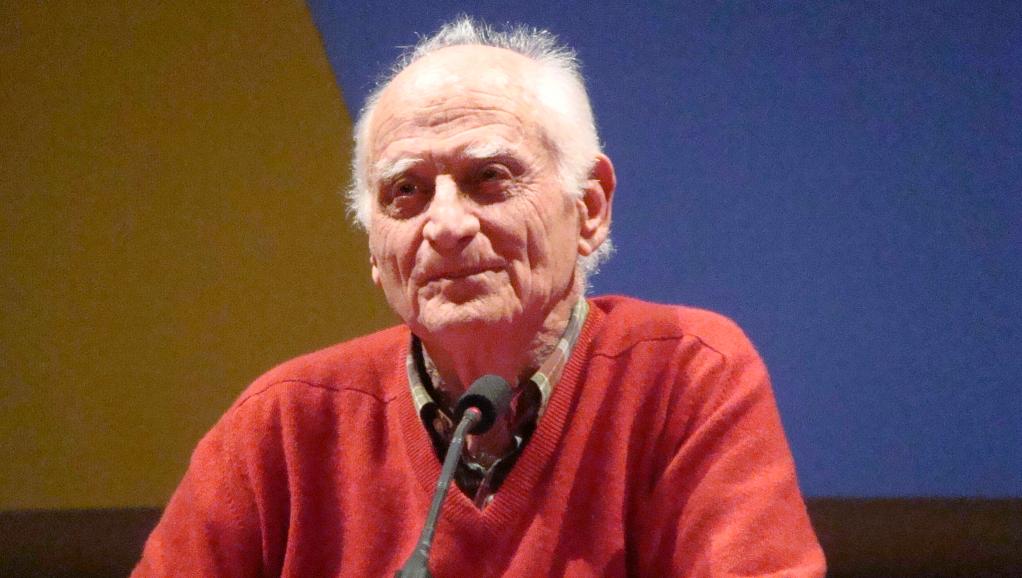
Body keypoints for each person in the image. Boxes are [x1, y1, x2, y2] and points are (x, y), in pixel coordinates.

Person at [134, 17, 825, 577]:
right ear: (374, 247)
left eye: (488, 177)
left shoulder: (686, 376)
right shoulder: (282, 427)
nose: (446, 226)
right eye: (405, 191)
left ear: (590, 208)